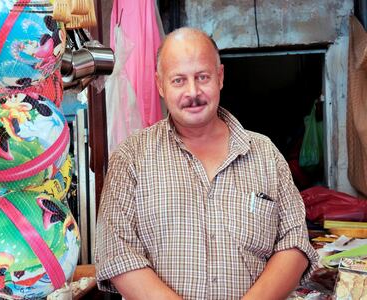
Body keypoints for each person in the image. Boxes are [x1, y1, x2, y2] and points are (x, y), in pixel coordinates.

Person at [94, 27, 319, 300]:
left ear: (220, 77)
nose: (193, 92)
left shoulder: (265, 154)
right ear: (160, 84)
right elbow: (117, 253)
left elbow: (295, 243)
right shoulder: (131, 158)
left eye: (202, 77)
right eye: (178, 80)